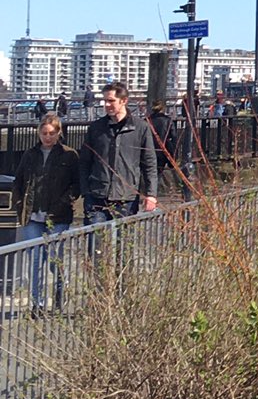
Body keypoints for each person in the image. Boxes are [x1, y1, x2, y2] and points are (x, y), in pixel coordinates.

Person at [14, 112, 79, 314]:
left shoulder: (68, 155)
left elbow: (75, 185)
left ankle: (60, 297)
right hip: (32, 215)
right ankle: (38, 303)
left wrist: (64, 203)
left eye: (51, 133)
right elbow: (19, 181)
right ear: (39, 133)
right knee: (35, 261)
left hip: (57, 216)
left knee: (55, 260)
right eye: (44, 133)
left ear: (58, 133)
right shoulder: (30, 154)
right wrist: (20, 204)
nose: (47, 137)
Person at [79, 81, 158, 227]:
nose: (107, 105)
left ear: (124, 101)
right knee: (95, 244)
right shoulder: (96, 128)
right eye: (105, 101)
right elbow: (85, 161)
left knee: (123, 244)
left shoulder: (140, 128)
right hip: (97, 196)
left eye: (111, 101)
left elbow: (149, 164)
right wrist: (86, 191)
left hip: (126, 197)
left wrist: (151, 194)